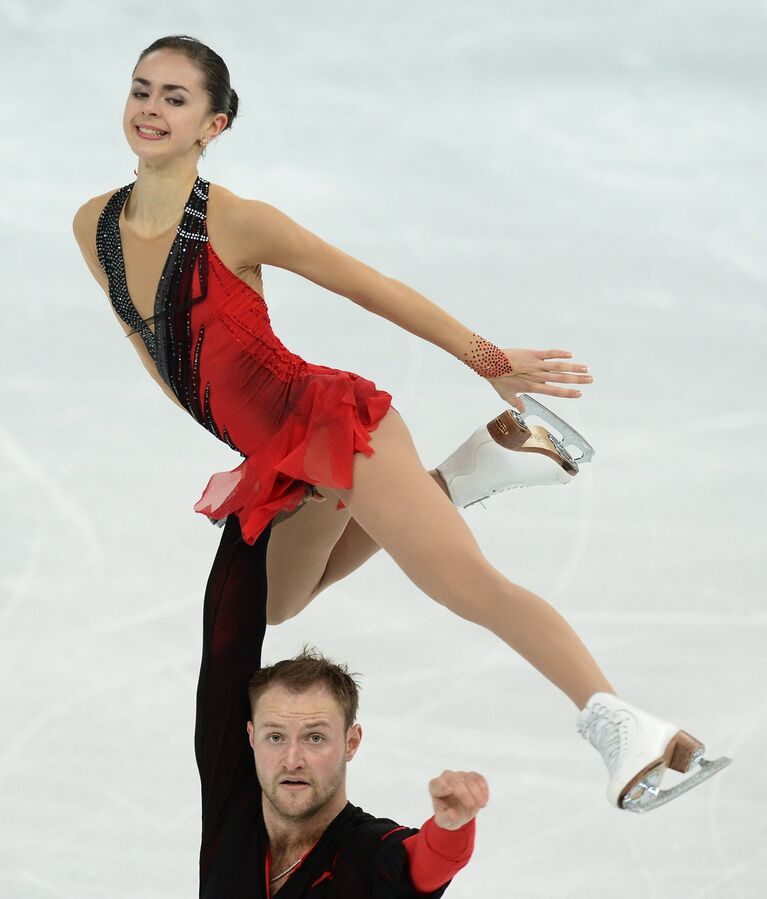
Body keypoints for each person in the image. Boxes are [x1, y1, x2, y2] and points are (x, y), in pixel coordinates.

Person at [72, 34, 729, 815]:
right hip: (276, 450)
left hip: (331, 424)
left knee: (464, 585)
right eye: (141, 89)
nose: (150, 108)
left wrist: (488, 357)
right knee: (278, 601)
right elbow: (156, 342)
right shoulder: (94, 225)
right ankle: (469, 472)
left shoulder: (236, 221)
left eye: (174, 98)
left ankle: (623, 722)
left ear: (213, 126)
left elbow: (372, 287)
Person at [198, 514, 486, 896]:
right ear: (250, 737)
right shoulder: (235, 808)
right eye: (275, 737)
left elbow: (425, 864)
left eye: (315, 738)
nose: (292, 758)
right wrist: (249, 515)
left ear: (351, 742)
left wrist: (452, 828)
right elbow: (227, 646)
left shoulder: (365, 852)